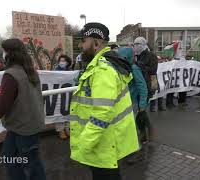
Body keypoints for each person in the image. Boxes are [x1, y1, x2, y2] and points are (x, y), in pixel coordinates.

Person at [70, 22, 139, 180]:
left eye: (83, 41)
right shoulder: (101, 66)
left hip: (103, 144)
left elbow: (102, 114)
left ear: (96, 43)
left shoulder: (103, 71)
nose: (80, 45)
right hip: (103, 142)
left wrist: (83, 145)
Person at [0, 38, 46, 180]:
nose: (2, 54)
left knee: (30, 164)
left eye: (4, 51)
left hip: (23, 127)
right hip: (25, 125)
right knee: (12, 159)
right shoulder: (31, 71)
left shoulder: (11, 74)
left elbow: (2, 104)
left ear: (9, 54)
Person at [54, 54, 72, 139]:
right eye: (61, 61)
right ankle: (60, 130)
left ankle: (67, 129)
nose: (62, 62)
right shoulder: (55, 71)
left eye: (64, 61)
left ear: (67, 62)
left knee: (68, 111)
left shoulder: (70, 71)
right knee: (59, 111)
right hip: (59, 95)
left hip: (68, 95)